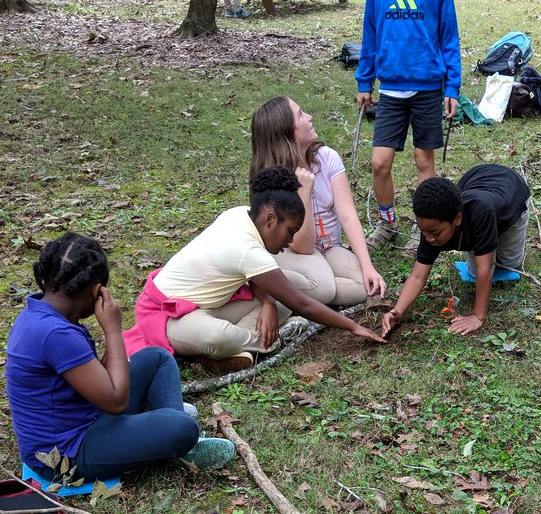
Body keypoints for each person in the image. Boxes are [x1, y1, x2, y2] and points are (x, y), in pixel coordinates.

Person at [4, 233, 236, 481]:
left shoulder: (40, 313)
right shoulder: (56, 334)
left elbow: (93, 376)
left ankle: (164, 423)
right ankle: (175, 436)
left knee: (156, 359)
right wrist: (113, 330)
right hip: (67, 455)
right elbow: (116, 402)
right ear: (95, 290)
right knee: (184, 428)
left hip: (84, 418)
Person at [123, 167, 384, 374]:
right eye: (290, 231)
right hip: (169, 316)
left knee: (280, 302)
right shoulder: (248, 249)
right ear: (270, 219)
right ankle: (264, 342)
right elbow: (303, 304)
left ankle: (236, 350)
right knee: (217, 336)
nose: (290, 242)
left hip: (212, 305)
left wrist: (268, 302)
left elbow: (259, 278)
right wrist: (353, 327)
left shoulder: (240, 214)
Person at [355, 0, 461, 251]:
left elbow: (449, 39)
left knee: (422, 162)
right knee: (379, 163)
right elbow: (370, 34)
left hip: (429, 88)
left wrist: (452, 87)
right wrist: (364, 80)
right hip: (391, 90)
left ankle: (422, 227)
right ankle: (387, 225)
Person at [250, 96, 386, 306]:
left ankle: (292, 296)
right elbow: (302, 247)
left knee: (363, 287)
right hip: (294, 255)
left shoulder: (327, 158)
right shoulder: (272, 180)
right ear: (287, 133)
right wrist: (303, 192)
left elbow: (348, 215)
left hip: (329, 248)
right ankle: (297, 292)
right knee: (324, 288)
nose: (309, 117)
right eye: (301, 115)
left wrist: (368, 265)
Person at [381, 166, 530, 338]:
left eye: (435, 233)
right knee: (474, 272)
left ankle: (490, 241)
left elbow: (485, 269)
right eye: (424, 232)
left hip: (513, 194)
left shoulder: (481, 212)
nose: (429, 239)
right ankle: (484, 242)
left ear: (457, 219)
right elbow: (417, 276)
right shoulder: (431, 226)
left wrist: (477, 316)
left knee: (507, 264)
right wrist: (397, 311)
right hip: (478, 182)